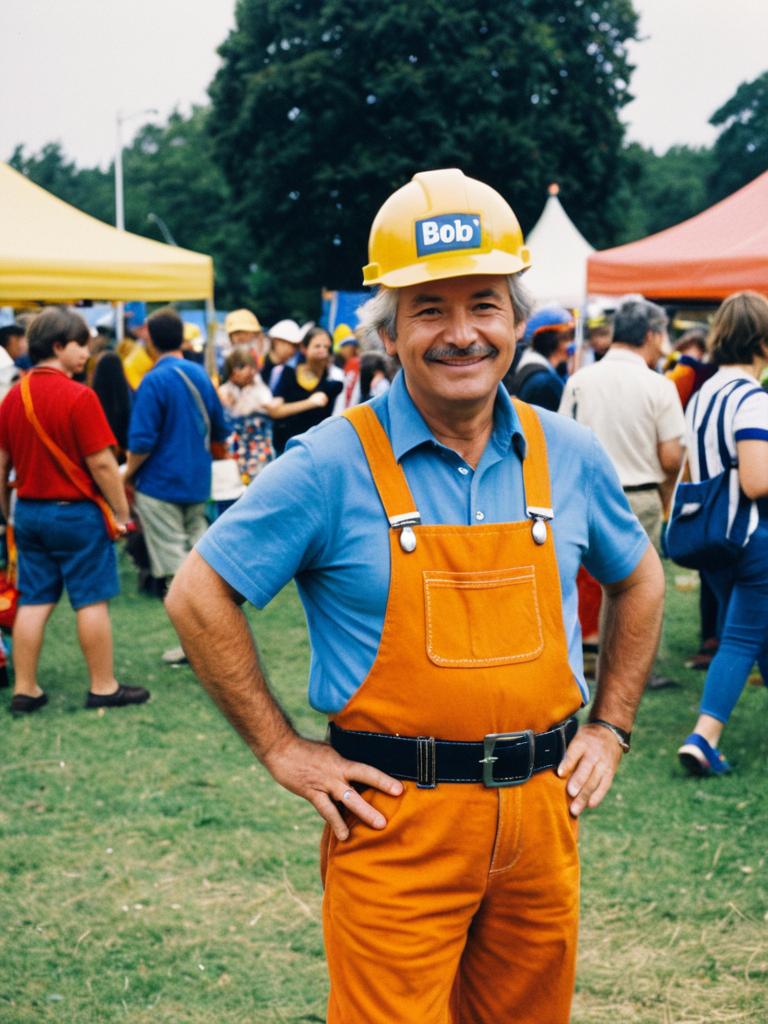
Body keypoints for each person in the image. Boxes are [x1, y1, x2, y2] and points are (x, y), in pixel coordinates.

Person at [165, 168, 664, 1024]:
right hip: (397, 827)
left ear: (515, 319)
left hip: (542, 822)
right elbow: (197, 592)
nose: (461, 333)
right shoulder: (327, 462)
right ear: (388, 332)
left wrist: (612, 726)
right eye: (429, 309)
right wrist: (285, 750)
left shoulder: (568, 452)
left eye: (483, 303)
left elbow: (641, 577)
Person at [0, 307, 149, 713]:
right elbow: (102, 463)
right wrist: (121, 513)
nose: (87, 352)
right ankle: (103, 686)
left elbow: (2, 463)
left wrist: (6, 512)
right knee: (90, 600)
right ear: (58, 346)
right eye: (80, 344)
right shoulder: (80, 396)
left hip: (28, 511)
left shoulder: (14, 396)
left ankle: (26, 689)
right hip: (75, 515)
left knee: (33, 600)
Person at [560, 296, 685, 689]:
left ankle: (586, 657)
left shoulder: (580, 379)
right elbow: (669, 459)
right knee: (638, 588)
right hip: (639, 495)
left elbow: (563, 440)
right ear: (650, 334)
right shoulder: (658, 385)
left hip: (584, 494)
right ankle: (635, 671)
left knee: (585, 582)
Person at [676, 292, 768, 776]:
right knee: (740, 638)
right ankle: (704, 737)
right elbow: (756, 480)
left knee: (756, 631)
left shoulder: (704, 393)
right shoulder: (751, 398)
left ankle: (705, 735)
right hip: (752, 536)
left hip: (710, 536)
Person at [125, 307, 228, 652]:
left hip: (160, 485)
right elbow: (221, 428)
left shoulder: (154, 380)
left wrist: (127, 473)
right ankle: (213, 637)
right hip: (197, 482)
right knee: (202, 566)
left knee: (176, 571)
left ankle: (194, 646)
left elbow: (140, 442)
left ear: (151, 340)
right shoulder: (200, 374)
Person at [270, 326, 342, 454]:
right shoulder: (289, 373)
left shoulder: (333, 381)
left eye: (326, 347)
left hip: (313, 449)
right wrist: (310, 403)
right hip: (285, 447)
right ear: (304, 348)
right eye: (317, 346)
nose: (322, 351)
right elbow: (275, 411)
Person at [505, 304, 575, 410]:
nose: (572, 343)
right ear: (550, 341)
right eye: (566, 337)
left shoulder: (529, 367)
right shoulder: (544, 383)